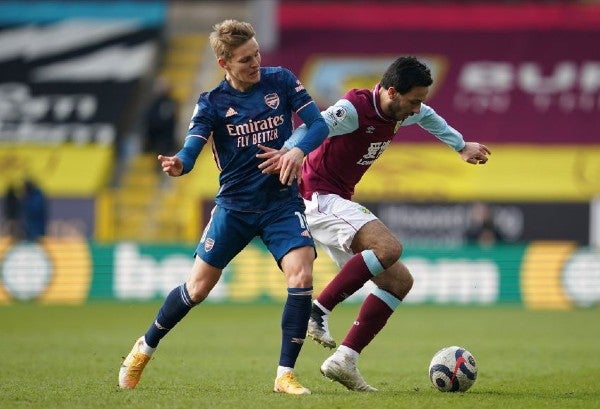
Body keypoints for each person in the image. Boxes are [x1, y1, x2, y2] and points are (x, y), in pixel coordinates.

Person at [118, 19, 328, 395]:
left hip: (281, 203)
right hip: (234, 207)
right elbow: (192, 145)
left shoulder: (280, 80)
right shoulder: (213, 103)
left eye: (257, 54)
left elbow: (319, 126)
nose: (256, 63)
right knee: (197, 289)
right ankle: (143, 348)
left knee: (301, 275)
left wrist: (296, 149)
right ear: (224, 63)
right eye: (246, 59)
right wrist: (180, 163)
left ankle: (285, 375)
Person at [258, 56, 491, 391]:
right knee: (388, 247)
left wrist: (461, 145)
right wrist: (291, 152)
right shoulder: (352, 109)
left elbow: (430, 118)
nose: (417, 108)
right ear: (392, 92)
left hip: (337, 201)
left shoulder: (400, 110)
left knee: (398, 282)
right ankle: (318, 310)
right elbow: (313, 126)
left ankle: (345, 359)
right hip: (318, 198)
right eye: (414, 100)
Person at [143, 77, 178, 157]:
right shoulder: (153, 103)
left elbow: (169, 121)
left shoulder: (171, 102)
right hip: (156, 139)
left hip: (165, 140)